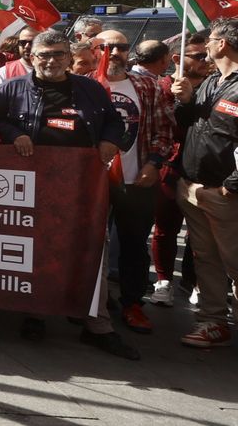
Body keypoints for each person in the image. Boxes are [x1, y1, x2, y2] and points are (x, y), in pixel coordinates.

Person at [0, 30, 136, 358]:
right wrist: (14, 134)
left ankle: (97, 324)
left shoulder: (91, 89)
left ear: (70, 58)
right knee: (36, 250)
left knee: (91, 249)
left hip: (84, 185)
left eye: (58, 54)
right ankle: (35, 314)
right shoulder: (10, 90)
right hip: (30, 186)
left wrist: (111, 140)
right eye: (44, 54)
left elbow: (115, 123)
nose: (51, 60)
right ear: (32, 57)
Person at [90, 29, 177, 335]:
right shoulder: (85, 86)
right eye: (106, 47)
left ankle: (132, 303)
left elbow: (165, 129)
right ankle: (88, 304)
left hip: (136, 181)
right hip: (92, 183)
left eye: (121, 47)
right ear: (93, 50)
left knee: (133, 245)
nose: (114, 53)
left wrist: (154, 163)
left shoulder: (146, 85)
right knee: (88, 244)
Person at [168, 18, 238, 348]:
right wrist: (183, 100)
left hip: (226, 193)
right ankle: (213, 321)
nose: (205, 46)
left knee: (235, 260)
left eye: (210, 40)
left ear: (223, 43)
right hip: (193, 186)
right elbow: (189, 123)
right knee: (205, 258)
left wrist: (233, 184)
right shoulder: (211, 82)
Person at [151, 30, 211, 307]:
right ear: (177, 58)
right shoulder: (162, 86)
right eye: (199, 55)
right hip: (171, 166)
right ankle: (164, 281)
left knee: (202, 232)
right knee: (166, 227)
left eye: (207, 55)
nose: (206, 60)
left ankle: (196, 281)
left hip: (207, 169)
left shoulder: (218, 86)